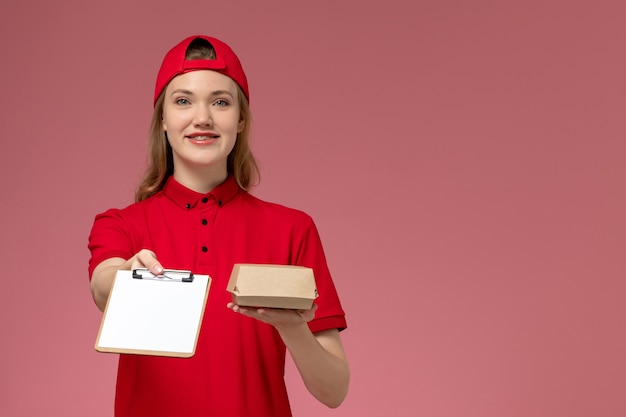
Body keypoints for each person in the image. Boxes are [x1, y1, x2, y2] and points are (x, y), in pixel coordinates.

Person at [87, 35, 349, 416]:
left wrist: (291, 328)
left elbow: (334, 391)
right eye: (183, 101)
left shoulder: (293, 229)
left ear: (240, 120)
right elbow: (103, 283)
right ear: (162, 118)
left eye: (221, 102)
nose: (203, 117)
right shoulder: (121, 225)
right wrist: (126, 276)